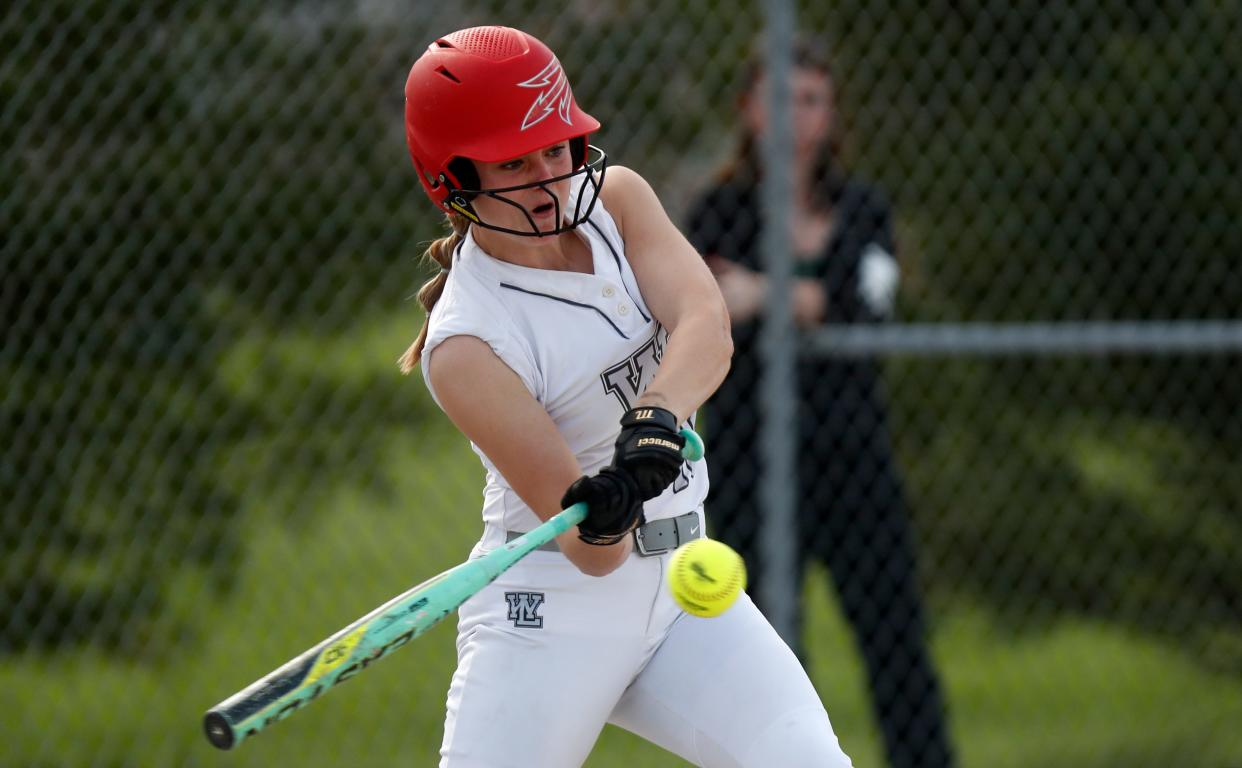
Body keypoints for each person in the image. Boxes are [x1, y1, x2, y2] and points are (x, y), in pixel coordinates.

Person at [396, 25, 852, 768]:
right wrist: (608, 503)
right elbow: (589, 552)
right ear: (453, 179)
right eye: (513, 163)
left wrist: (656, 418)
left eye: (557, 148)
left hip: (684, 592)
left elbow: (707, 327)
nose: (547, 177)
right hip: (549, 617)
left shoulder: (618, 201)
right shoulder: (467, 344)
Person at [685, 39, 955, 768]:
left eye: (810, 99)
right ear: (747, 110)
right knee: (764, 654)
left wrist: (762, 293)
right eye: (777, 98)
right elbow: (702, 308)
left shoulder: (862, 208)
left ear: (832, 116)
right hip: (749, 457)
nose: (794, 115)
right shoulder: (718, 210)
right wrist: (805, 301)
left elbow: (864, 307)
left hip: (852, 455)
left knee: (896, 642)